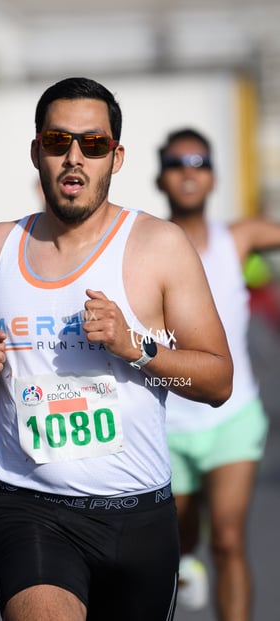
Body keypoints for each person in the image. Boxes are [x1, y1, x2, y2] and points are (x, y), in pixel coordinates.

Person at [0, 78, 233, 621]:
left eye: (93, 144)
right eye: (58, 142)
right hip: (32, 509)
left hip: (141, 516)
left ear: (115, 157)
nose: (74, 157)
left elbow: (218, 383)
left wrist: (137, 347)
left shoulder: (160, 246)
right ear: (37, 151)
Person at [155, 127, 280, 621]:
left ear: (213, 177)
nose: (188, 170)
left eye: (199, 161)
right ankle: (186, 559)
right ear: (160, 176)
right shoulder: (146, 243)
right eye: (177, 162)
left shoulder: (239, 238)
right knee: (183, 543)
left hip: (233, 417)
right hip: (167, 426)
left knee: (228, 540)